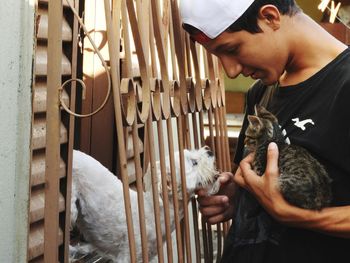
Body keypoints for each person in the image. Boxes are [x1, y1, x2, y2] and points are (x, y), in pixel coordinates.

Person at [180, 0, 350, 262]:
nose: (231, 70)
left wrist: (297, 216)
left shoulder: (345, 85)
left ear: (270, 17)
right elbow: (261, 182)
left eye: (232, 49)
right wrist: (238, 196)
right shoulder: (260, 93)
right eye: (218, 56)